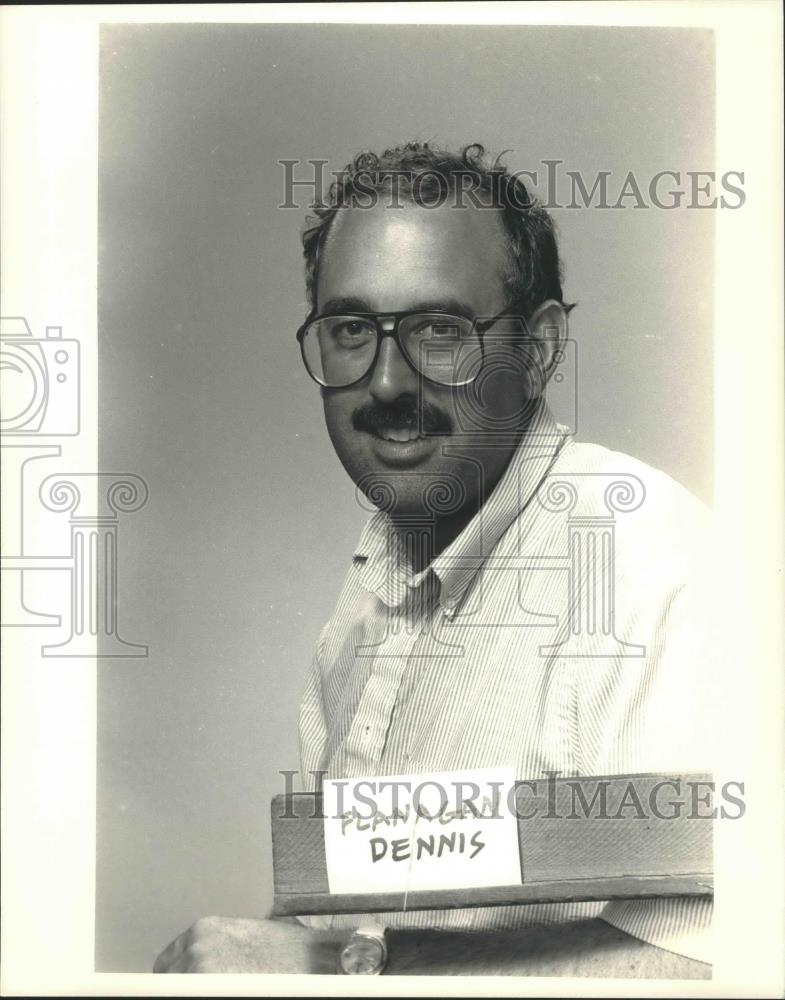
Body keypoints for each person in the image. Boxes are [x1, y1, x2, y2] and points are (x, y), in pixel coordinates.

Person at [154, 143, 717, 976]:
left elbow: (722, 966)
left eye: (439, 331)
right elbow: (344, 916)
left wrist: (324, 971)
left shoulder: (647, 564)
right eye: (351, 330)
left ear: (538, 348)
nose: (385, 382)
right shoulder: (364, 597)